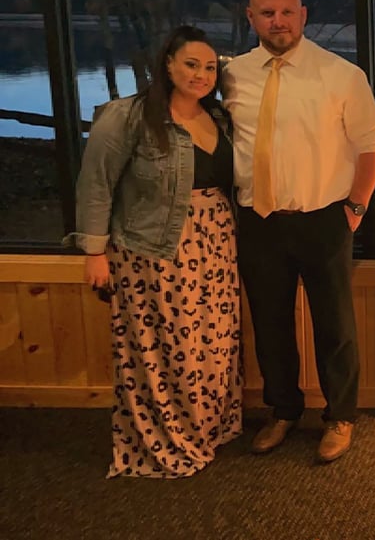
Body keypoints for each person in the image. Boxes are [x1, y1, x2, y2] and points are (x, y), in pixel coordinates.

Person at [66, 25, 243, 478]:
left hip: (217, 244)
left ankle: (204, 430)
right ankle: (166, 439)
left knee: (214, 346)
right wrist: (94, 252)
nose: (201, 75)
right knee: (167, 349)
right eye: (191, 64)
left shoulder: (218, 118)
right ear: (167, 63)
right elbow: (96, 186)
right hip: (154, 250)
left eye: (209, 67)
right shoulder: (126, 117)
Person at [223, 0, 375, 463]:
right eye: (267, 13)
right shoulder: (232, 75)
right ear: (250, 18)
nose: (278, 21)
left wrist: (355, 208)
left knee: (334, 326)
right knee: (270, 324)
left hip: (323, 219)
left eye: (287, 12)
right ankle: (283, 411)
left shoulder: (341, 75)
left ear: (304, 14)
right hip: (258, 220)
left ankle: (340, 416)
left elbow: (372, 146)